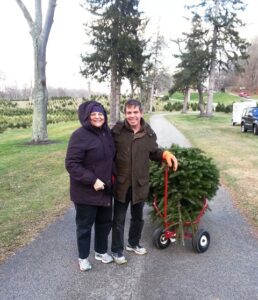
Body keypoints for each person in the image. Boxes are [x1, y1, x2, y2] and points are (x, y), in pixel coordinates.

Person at [111, 99, 178, 264]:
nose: (132, 116)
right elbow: (107, 153)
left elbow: (153, 152)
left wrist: (164, 155)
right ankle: (116, 250)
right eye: (128, 112)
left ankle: (133, 243)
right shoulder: (117, 131)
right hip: (122, 184)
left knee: (138, 217)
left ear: (141, 113)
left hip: (139, 184)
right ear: (124, 114)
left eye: (135, 112)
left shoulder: (148, 133)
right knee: (118, 219)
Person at [65, 100, 115, 271]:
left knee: (104, 222)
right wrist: (92, 180)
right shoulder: (79, 135)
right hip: (85, 192)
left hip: (106, 189)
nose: (97, 117)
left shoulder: (106, 133)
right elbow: (71, 164)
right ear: (87, 117)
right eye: (93, 114)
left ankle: (100, 251)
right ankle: (83, 257)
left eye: (100, 114)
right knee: (85, 226)